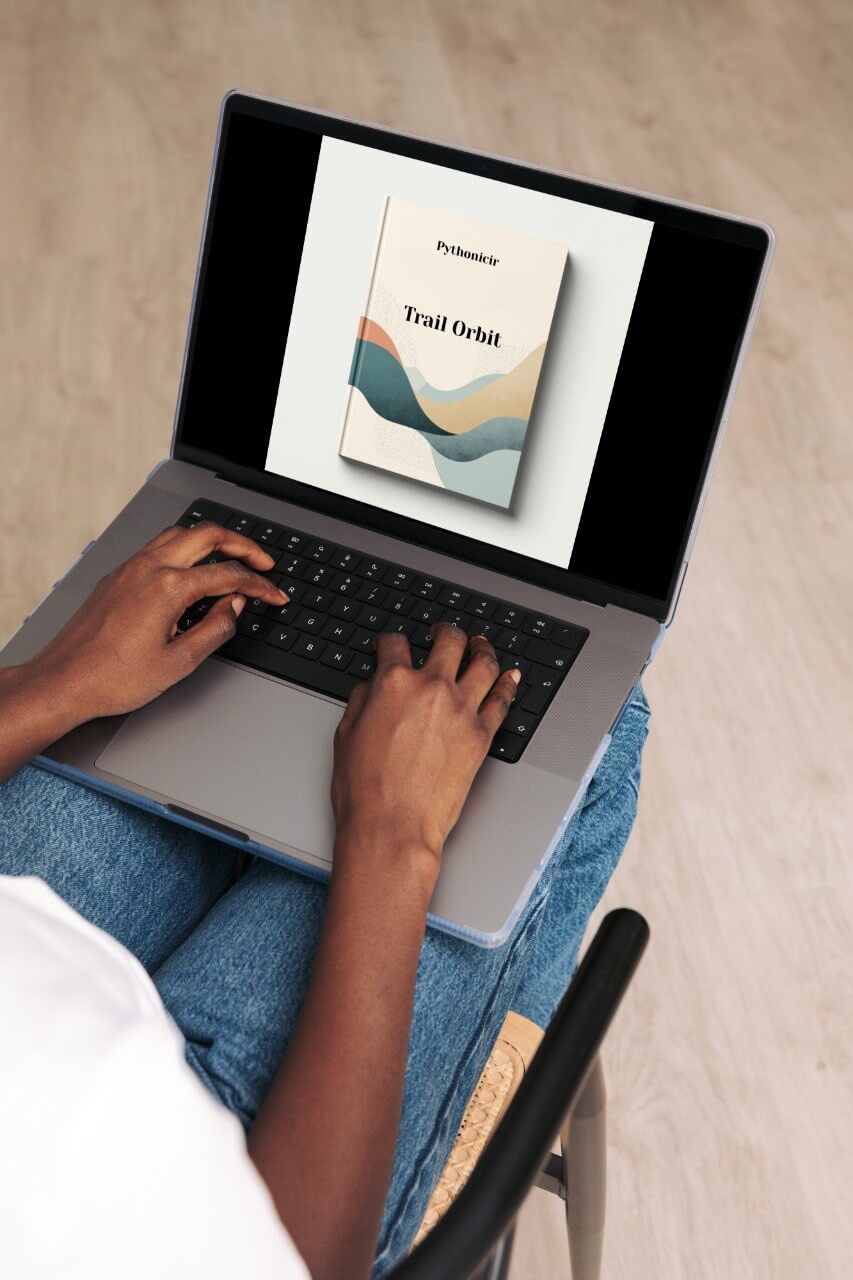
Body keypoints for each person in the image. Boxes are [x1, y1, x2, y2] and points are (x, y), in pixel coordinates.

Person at [0, 521, 649, 1280]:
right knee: (588, 716)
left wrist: (60, 680)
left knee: (226, 681)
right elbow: (291, 1256)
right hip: (186, 1191)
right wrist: (390, 836)